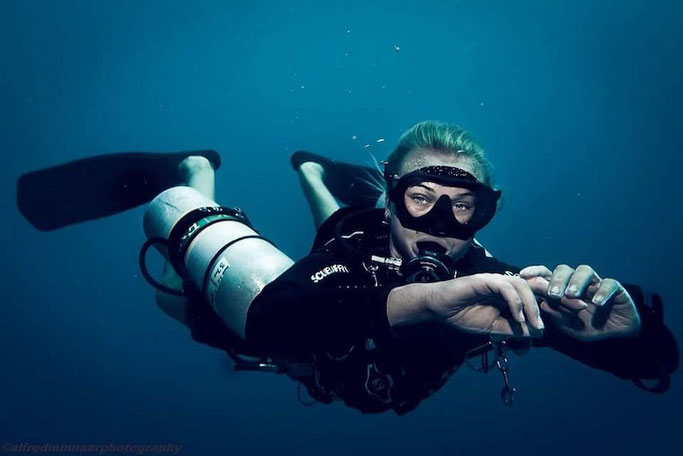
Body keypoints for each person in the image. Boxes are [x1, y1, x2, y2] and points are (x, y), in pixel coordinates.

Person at [16, 121, 678, 415]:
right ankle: (198, 177)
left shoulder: (500, 285)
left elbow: (651, 365)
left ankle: (310, 168)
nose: (439, 227)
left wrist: (623, 334)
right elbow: (276, 318)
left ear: (483, 216)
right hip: (314, 308)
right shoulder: (357, 248)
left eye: (462, 207)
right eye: (421, 199)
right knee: (185, 304)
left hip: (345, 366)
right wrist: (427, 304)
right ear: (391, 201)